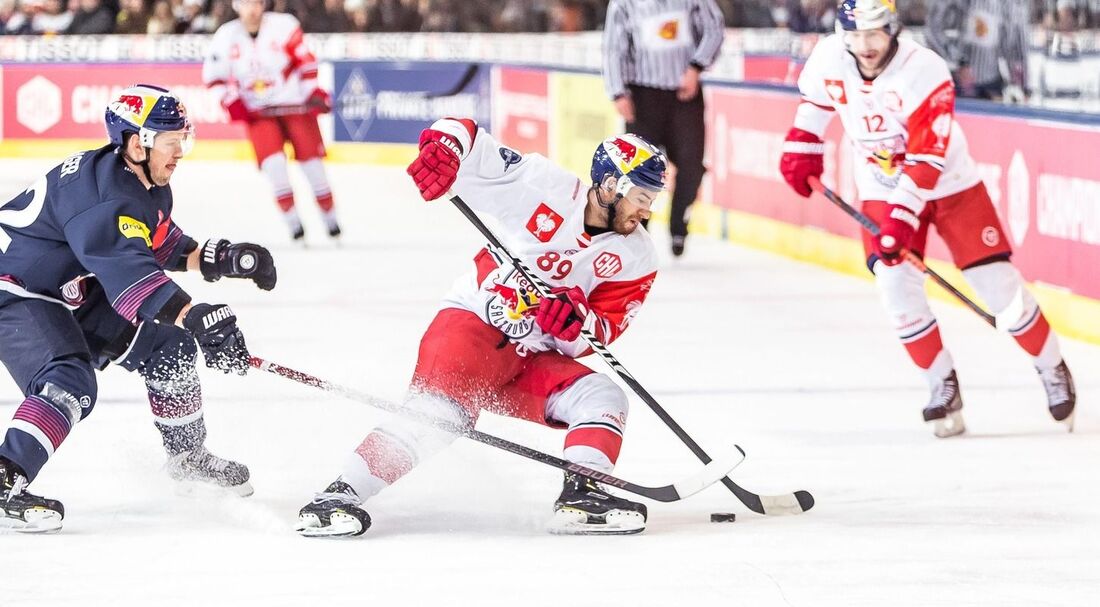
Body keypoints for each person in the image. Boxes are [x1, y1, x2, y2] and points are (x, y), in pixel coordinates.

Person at [295, 120, 667, 537]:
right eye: (641, 196)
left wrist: (574, 323)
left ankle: (583, 495)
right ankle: (337, 496)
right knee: (441, 417)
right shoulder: (544, 186)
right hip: (470, 328)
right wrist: (445, 148)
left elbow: (600, 333)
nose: (646, 210)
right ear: (611, 185)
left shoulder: (638, 258)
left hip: (529, 362)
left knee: (601, 395)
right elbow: (470, 140)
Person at [778, 0, 1076, 438]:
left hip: (949, 184)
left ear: (893, 28)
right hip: (881, 186)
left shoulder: (926, 71)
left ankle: (1051, 368)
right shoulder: (829, 56)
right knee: (895, 286)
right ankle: (941, 385)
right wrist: (802, 144)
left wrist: (901, 220)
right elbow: (816, 102)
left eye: (874, 34)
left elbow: (925, 160)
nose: (865, 45)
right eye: (856, 35)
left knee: (999, 287)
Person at [0, 84, 275, 533]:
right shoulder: (106, 198)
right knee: (68, 379)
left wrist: (224, 258)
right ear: (136, 143)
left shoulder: (137, 180)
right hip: (14, 289)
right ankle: (5, 475)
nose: (180, 151)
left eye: (182, 139)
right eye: (171, 142)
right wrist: (194, 313)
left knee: (168, 346)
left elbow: (158, 245)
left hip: (65, 287)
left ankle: (188, 459)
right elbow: (134, 280)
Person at [202, 0, 341, 242]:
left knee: (313, 166)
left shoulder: (284, 26)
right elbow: (214, 77)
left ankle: (331, 221)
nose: (252, 9)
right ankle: (294, 224)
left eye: (256, 2)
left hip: (295, 106)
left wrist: (312, 92)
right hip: (258, 114)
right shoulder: (226, 36)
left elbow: (305, 62)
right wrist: (231, 101)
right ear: (237, 6)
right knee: (274, 166)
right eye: (246, 3)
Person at [602, 0, 724, 257]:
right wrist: (618, 91)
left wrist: (696, 66)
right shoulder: (624, 4)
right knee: (641, 169)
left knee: (691, 163)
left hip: (685, 95)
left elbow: (714, 27)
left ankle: (679, 225)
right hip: (643, 95)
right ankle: (638, 231)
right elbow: (613, 48)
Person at [924, 0, 1029, 102]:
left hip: (993, 85)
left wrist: (1022, 86)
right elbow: (932, 29)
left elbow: (1018, 44)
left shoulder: (1013, 4)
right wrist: (959, 62)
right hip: (957, 83)